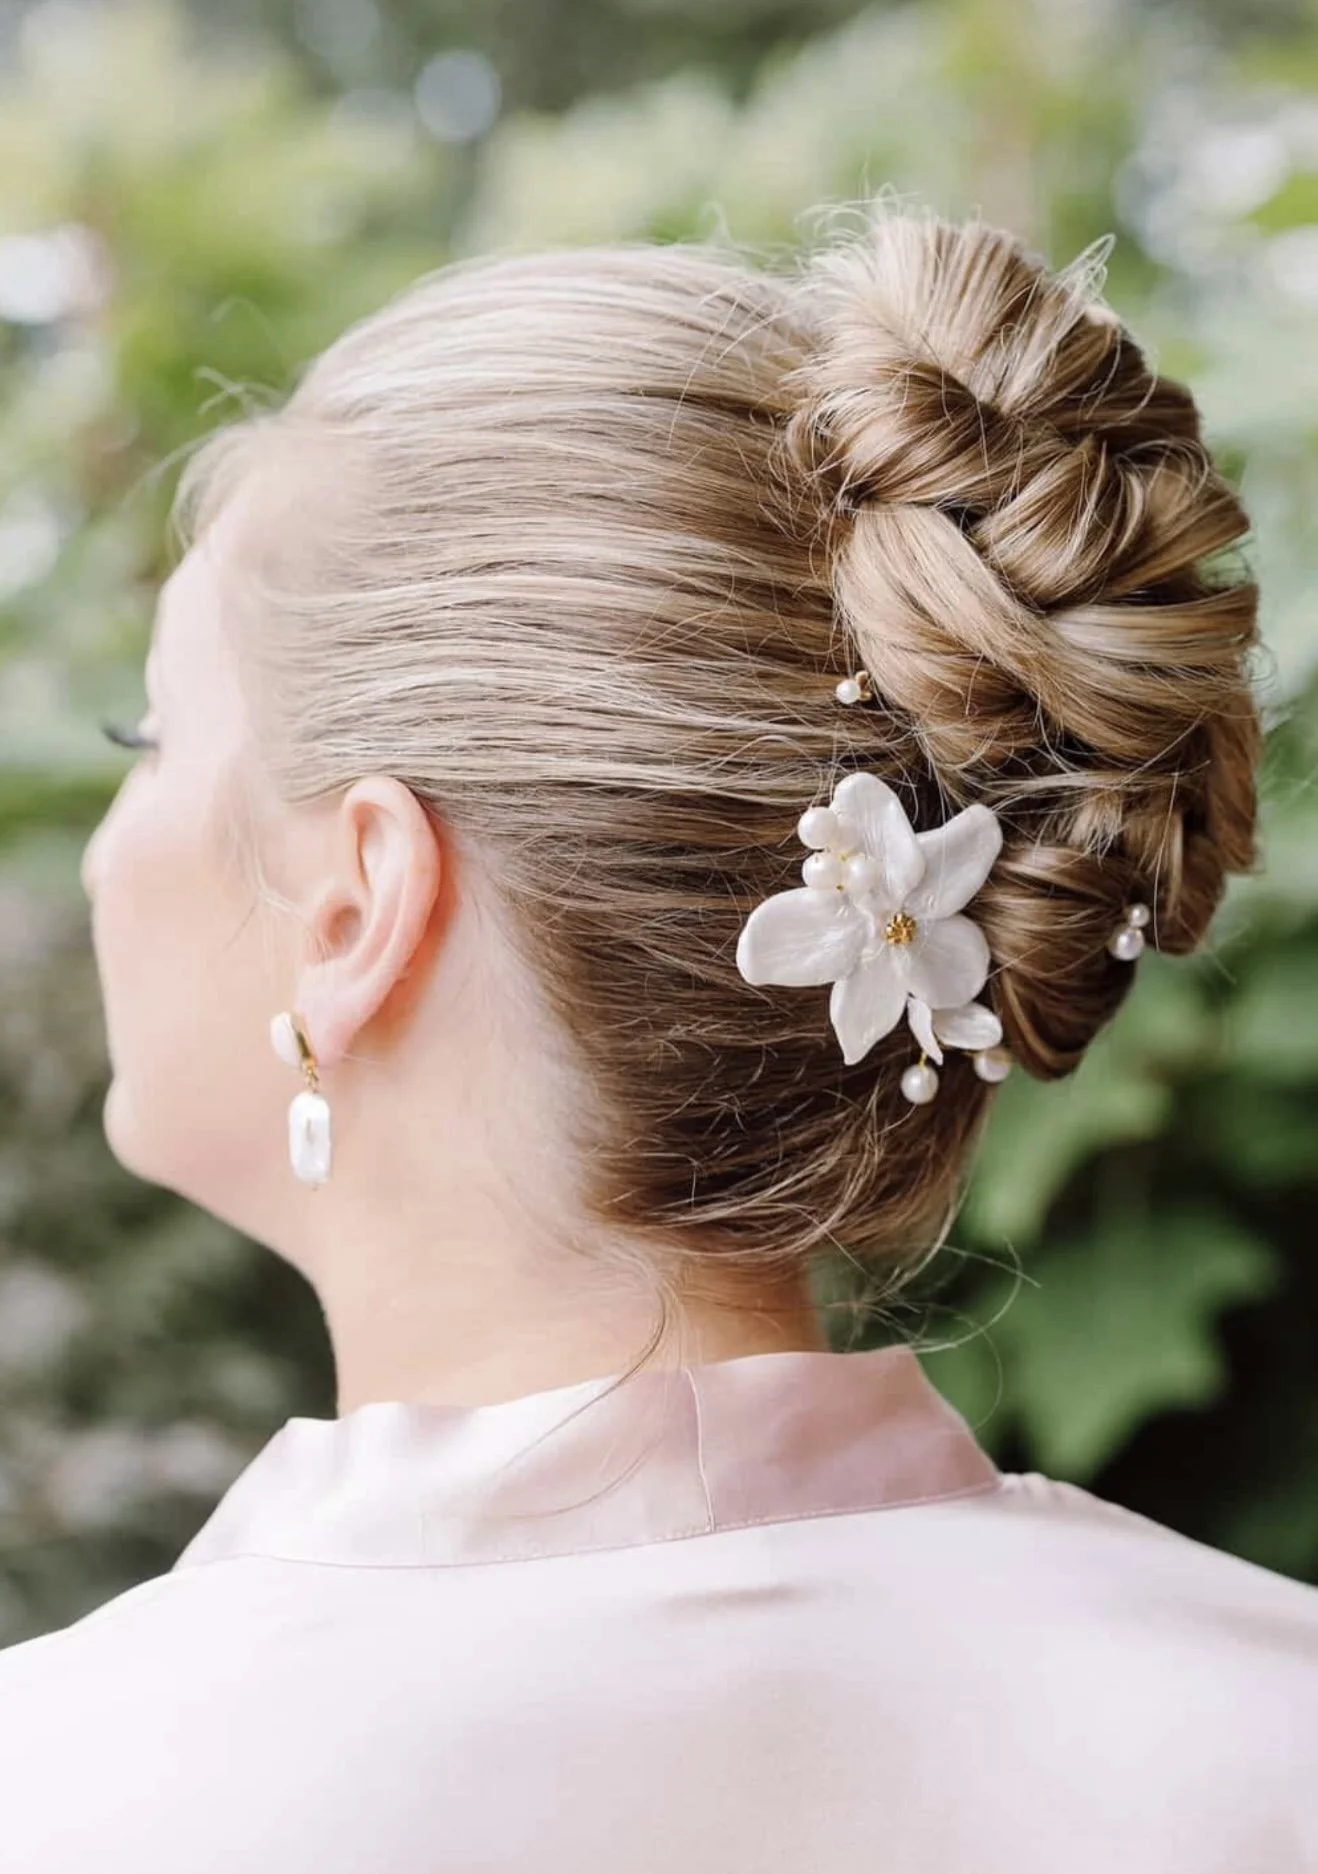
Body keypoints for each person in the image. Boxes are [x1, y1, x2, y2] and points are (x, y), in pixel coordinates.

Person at [1, 200, 1313, 1870]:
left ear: (355, 906)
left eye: (152, 733)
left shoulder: (69, 1791)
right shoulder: (1274, 1722)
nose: (108, 845)